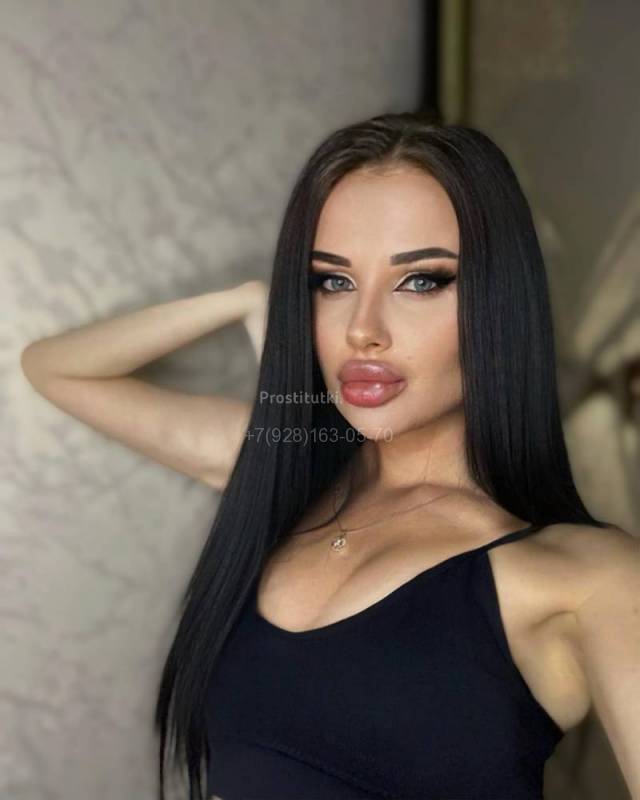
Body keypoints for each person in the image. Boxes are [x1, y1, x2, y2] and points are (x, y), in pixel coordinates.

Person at [21, 112, 640, 800]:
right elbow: (53, 369)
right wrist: (244, 299)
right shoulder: (282, 473)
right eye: (332, 282)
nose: (362, 330)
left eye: (421, 281)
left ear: (499, 302)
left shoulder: (588, 577)